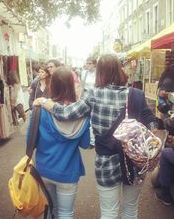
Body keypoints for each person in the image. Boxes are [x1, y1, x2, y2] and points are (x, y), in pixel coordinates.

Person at [34, 54, 158, 219]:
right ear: (120, 70)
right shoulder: (136, 94)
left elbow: (66, 114)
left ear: (99, 73)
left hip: (106, 162)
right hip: (134, 162)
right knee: (130, 209)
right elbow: (152, 124)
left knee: (109, 212)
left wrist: (44, 102)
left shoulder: (93, 94)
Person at [27, 66, 90, 219]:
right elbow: (85, 144)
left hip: (44, 168)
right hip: (68, 171)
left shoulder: (39, 110)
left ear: (52, 85)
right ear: (71, 85)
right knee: (66, 213)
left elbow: (30, 140)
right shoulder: (81, 114)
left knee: (50, 208)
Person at [155, 63, 174, 206]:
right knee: (170, 139)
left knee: (168, 149)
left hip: (171, 116)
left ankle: (165, 192)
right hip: (169, 113)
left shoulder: (168, 78)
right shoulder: (169, 81)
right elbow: (161, 98)